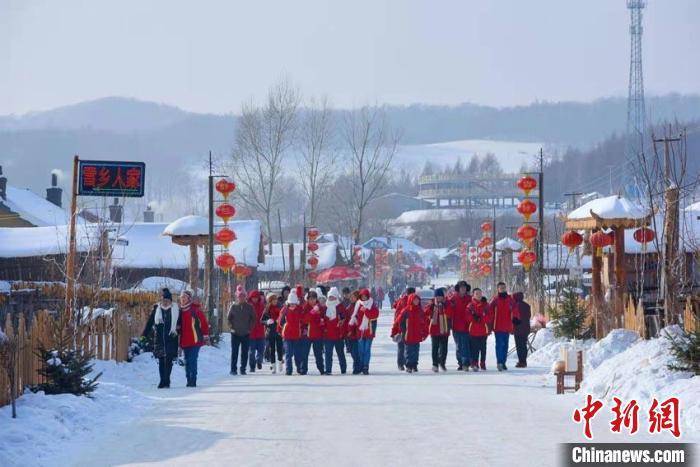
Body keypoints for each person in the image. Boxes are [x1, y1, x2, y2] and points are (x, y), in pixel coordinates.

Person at [142, 288, 179, 388]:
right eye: (164, 300)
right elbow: (150, 322)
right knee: (162, 361)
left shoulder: (175, 310)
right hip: (159, 339)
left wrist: (179, 330)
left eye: (167, 300)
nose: (165, 302)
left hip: (171, 338)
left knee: (169, 361)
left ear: (171, 301)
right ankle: (162, 380)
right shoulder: (157, 309)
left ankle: (167, 379)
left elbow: (180, 324)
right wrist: (144, 334)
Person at [177, 290, 209, 387]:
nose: (182, 299)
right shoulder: (179, 312)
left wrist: (205, 335)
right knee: (187, 360)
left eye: (184, 297)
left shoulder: (195, 310)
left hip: (195, 340)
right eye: (181, 298)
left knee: (193, 359)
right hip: (185, 340)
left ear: (189, 299)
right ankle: (188, 378)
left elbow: (203, 323)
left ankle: (193, 379)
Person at [392, 293, 427, 373]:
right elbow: (398, 321)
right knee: (408, 351)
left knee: (416, 351)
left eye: (417, 300)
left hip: (417, 334)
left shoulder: (420, 311)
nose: (416, 301)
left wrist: (425, 333)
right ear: (411, 300)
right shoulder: (406, 310)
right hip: (408, 334)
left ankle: (414, 365)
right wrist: (396, 331)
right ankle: (408, 365)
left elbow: (425, 323)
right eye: (415, 300)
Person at [489, 282, 519, 371]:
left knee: (505, 345)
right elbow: (489, 311)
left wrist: (516, 318)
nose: (502, 289)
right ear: (498, 289)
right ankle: (499, 362)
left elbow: (515, 309)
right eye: (501, 288)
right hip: (497, 326)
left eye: (504, 287)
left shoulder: (510, 299)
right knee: (499, 344)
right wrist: (489, 323)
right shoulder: (495, 300)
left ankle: (504, 362)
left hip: (507, 326)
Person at [227, 285, 256, 375]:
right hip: (235, 333)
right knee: (234, 352)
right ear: (237, 297)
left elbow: (254, 318)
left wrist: (249, 328)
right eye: (239, 296)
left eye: (243, 296)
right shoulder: (233, 306)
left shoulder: (249, 307)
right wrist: (231, 327)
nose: (241, 298)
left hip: (246, 333)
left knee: (244, 352)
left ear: (245, 296)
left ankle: (243, 369)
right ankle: (233, 369)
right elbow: (228, 318)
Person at [350, 288, 379, 375]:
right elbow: (354, 316)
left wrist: (366, 310)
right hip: (360, 331)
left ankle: (366, 366)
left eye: (365, 296)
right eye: (362, 296)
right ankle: (361, 365)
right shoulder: (358, 304)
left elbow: (375, 315)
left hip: (369, 331)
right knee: (361, 350)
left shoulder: (372, 304)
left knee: (367, 350)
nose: (363, 298)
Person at [278, 286, 304, 375]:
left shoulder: (299, 309)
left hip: (297, 335)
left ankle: (299, 368)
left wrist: (299, 292)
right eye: (291, 303)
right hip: (287, 335)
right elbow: (280, 321)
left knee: (297, 353)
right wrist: (280, 329)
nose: (292, 305)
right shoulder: (285, 310)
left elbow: (303, 317)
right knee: (288, 353)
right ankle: (289, 370)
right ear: (288, 303)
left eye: (294, 303)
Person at [425, 288, 451, 372]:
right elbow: (426, 313)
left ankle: (442, 362)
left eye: (440, 296)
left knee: (444, 349)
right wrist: (435, 307)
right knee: (435, 348)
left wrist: (444, 306)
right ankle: (435, 364)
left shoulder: (447, 304)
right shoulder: (431, 304)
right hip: (434, 330)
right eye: (437, 296)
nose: (439, 298)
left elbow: (450, 314)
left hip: (444, 330)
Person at [322, 287, 347, 375]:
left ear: (336, 297)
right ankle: (328, 369)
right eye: (330, 297)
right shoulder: (325, 307)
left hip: (338, 334)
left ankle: (343, 369)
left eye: (333, 297)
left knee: (340, 353)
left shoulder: (340, 307)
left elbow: (344, 319)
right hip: (327, 335)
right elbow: (322, 320)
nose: (331, 298)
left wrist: (341, 324)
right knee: (328, 353)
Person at [449, 281, 472, 371]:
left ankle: (465, 363)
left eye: (464, 287)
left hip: (467, 326)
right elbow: (448, 311)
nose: (463, 289)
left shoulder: (470, 299)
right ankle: (460, 362)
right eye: (461, 287)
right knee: (458, 346)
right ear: (458, 289)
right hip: (456, 326)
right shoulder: (453, 299)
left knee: (465, 345)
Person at [303, 289, 326, 375]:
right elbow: (304, 320)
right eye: (310, 299)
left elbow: (324, 318)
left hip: (318, 334)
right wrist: (312, 312)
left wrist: (322, 322)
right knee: (305, 353)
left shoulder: (320, 307)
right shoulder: (305, 307)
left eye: (314, 299)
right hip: (307, 334)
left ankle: (321, 368)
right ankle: (303, 369)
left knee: (318, 353)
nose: (312, 301)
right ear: (307, 299)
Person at [392, 287, 414, 371]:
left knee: (407, 346)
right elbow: (398, 315)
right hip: (402, 326)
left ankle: (405, 362)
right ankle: (401, 363)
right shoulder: (404, 302)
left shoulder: (403, 300)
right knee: (402, 346)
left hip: (407, 326)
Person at [467, 288, 490, 371]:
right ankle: (475, 362)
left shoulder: (486, 305)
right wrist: (474, 318)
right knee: (474, 348)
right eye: (477, 293)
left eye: (480, 293)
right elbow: (467, 317)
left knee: (483, 348)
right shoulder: (470, 305)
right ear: (473, 295)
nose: (479, 295)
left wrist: (482, 318)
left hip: (483, 330)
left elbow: (489, 316)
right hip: (473, 330)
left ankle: (483, 362)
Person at [262, 292, 284, 373]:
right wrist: (267, 321)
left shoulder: (280, 307)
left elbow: (284, 318)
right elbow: (261, 320)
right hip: (270, 332)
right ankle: (273, 365)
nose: (275, 301)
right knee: (272, 349)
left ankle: (280, 362)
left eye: (276, 299)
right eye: (273, 300)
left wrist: (280, 321)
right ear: (270, 301)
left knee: (279, 349)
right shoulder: (267, 309)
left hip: (278, 331)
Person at [343, 289, 361, 374]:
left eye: (354, 297)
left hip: (357, 332)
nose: (352, 298)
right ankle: (357, 366)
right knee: (352, 352)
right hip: (350, 332)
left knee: (356, 351)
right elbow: (346, 319)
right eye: (351, 297)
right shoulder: (349, 307)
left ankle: (357, 367)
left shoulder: (360, 306)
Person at [247, 290, 266, 373]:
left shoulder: (262, 306)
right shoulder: (248, 306)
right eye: (253, 298)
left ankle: (259, 360)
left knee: (261, 349)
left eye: (256, 298)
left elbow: (265, 316)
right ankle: (252, 366)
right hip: (251, 333)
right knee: (251, 351)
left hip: (261, 331)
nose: (255, 299)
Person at [512, 292, 531, 368]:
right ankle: (524, 361)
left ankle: (521, 361)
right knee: (524, 345)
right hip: (526, 328)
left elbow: (513, 316)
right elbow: (529, 316)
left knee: (519, 345)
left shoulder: (515, 305)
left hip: (518, 328)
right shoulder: (527, 305)